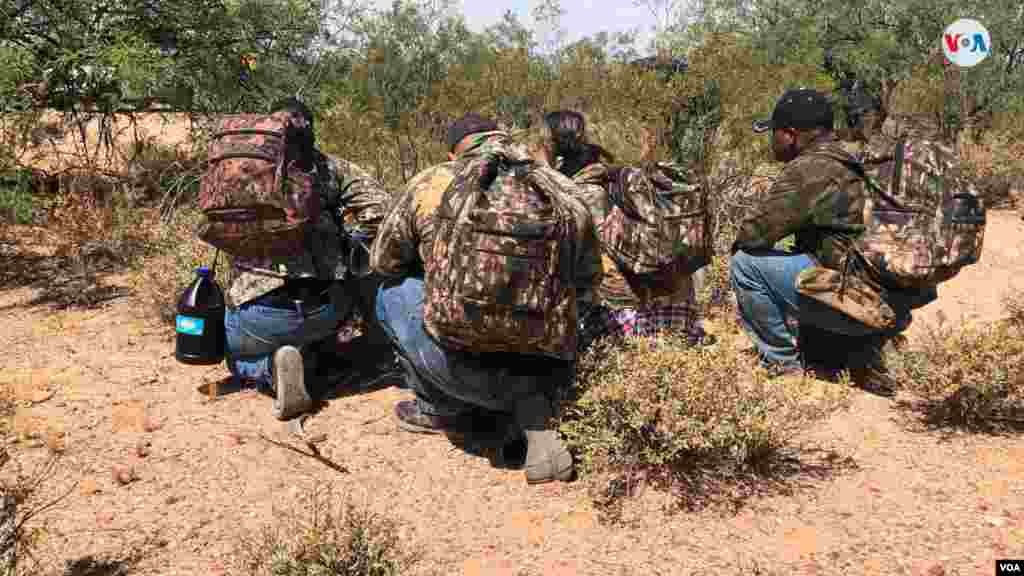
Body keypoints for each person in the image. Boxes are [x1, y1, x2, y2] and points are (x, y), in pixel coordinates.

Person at [370, 113, 603, 484]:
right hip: (549, 363)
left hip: (460, 364)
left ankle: (436, 408)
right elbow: (590, 279)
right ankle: (535, 400)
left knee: (391, 291)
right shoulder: (559, 186)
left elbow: (385, 261)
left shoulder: (432, 182)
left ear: (453, 155)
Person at [731, 88, 936, 395]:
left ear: (790, 134)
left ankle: (782, 364)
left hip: (858, 305)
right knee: (810, 258)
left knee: (745, 264)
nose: (771, 140)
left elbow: (753, 235)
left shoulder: (810, 168)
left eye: (774, 132)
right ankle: (861, 350)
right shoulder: (853, 156)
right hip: (894, 302)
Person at [222, 97, 393, 420]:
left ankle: (270, 370)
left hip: (260, 312)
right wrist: (347, 240)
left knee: (229, 351)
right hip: (326, 309)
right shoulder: (332, 168)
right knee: (325, 327)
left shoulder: (238, 168)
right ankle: (320, 352)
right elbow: (383, 212)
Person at [537, 110, 709, 353]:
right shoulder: (614, 174)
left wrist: (541, 165)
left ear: (551, 146)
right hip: (680, 313)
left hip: (630, 320)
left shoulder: (580, 193)